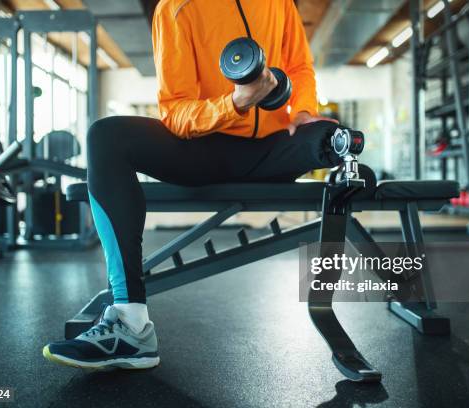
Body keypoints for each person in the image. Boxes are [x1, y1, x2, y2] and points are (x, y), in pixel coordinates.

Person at [43, 0, 342, 369]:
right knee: (106, 136)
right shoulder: (175, 8)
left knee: (332, 136)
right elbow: (177, 112)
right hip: (205, 150)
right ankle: (130, 323)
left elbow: (299, 66)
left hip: (273, 150)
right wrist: (234, 103)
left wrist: (303, 112)